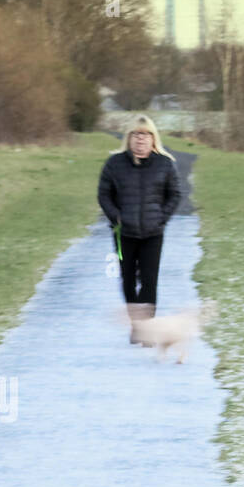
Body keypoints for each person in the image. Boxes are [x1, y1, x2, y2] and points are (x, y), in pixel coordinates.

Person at [97, 114, 181, 342]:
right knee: (127, 279)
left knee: (149, 279)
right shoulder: (114, 164)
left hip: (153, 233)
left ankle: (147, 329)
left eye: (145, 135)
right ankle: (135, 324)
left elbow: (174, 195)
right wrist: (116, 217)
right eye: (135, 134)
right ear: (128, 138)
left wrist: (161, 218)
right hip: (124, 233)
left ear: (153, 139)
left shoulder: (165, 164)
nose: (140, 140)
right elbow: (104, 194)